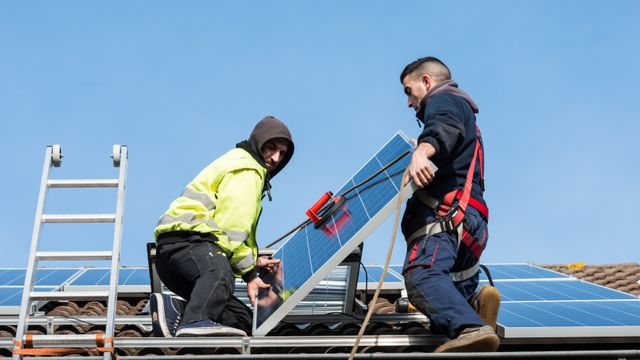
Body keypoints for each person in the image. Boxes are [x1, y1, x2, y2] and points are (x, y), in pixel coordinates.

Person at [149, 116, 294, 337]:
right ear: (259, 142)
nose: (275, 158)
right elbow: (231, 228)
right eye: (271, 148)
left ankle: (176, 311)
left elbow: (226, 233)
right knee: (220, 275)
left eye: (282, 154)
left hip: (178, 256)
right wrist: (249, 273)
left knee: (241, 319)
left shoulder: (242, 164)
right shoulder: (249, 169)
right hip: (187, 240)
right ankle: (195, 320)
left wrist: (253, 262)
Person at [399, 57, 500, 352]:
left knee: (422, 276)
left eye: (409, 90)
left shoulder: (443, 99)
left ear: (427, 82)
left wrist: (421, 152)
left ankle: (471, 327)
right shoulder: (465, 111)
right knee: (450, 287)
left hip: (444, 217)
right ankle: (472, 303)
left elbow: (442, 127)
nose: (408, 102)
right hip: (471, 224)